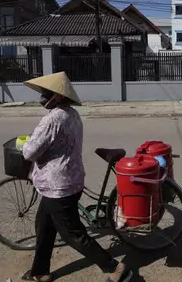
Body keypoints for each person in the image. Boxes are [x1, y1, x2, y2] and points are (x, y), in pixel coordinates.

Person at [20, 72, 132, 282]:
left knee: (73, 235)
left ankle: (116, 269)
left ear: (58, 97)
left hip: (58, 186)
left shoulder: (52, 119)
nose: (43, 96)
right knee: (44, 226)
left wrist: (23, 144)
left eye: (47, 93)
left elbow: (29, 152)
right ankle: (40, 271)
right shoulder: (72, 114)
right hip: (68, 179)